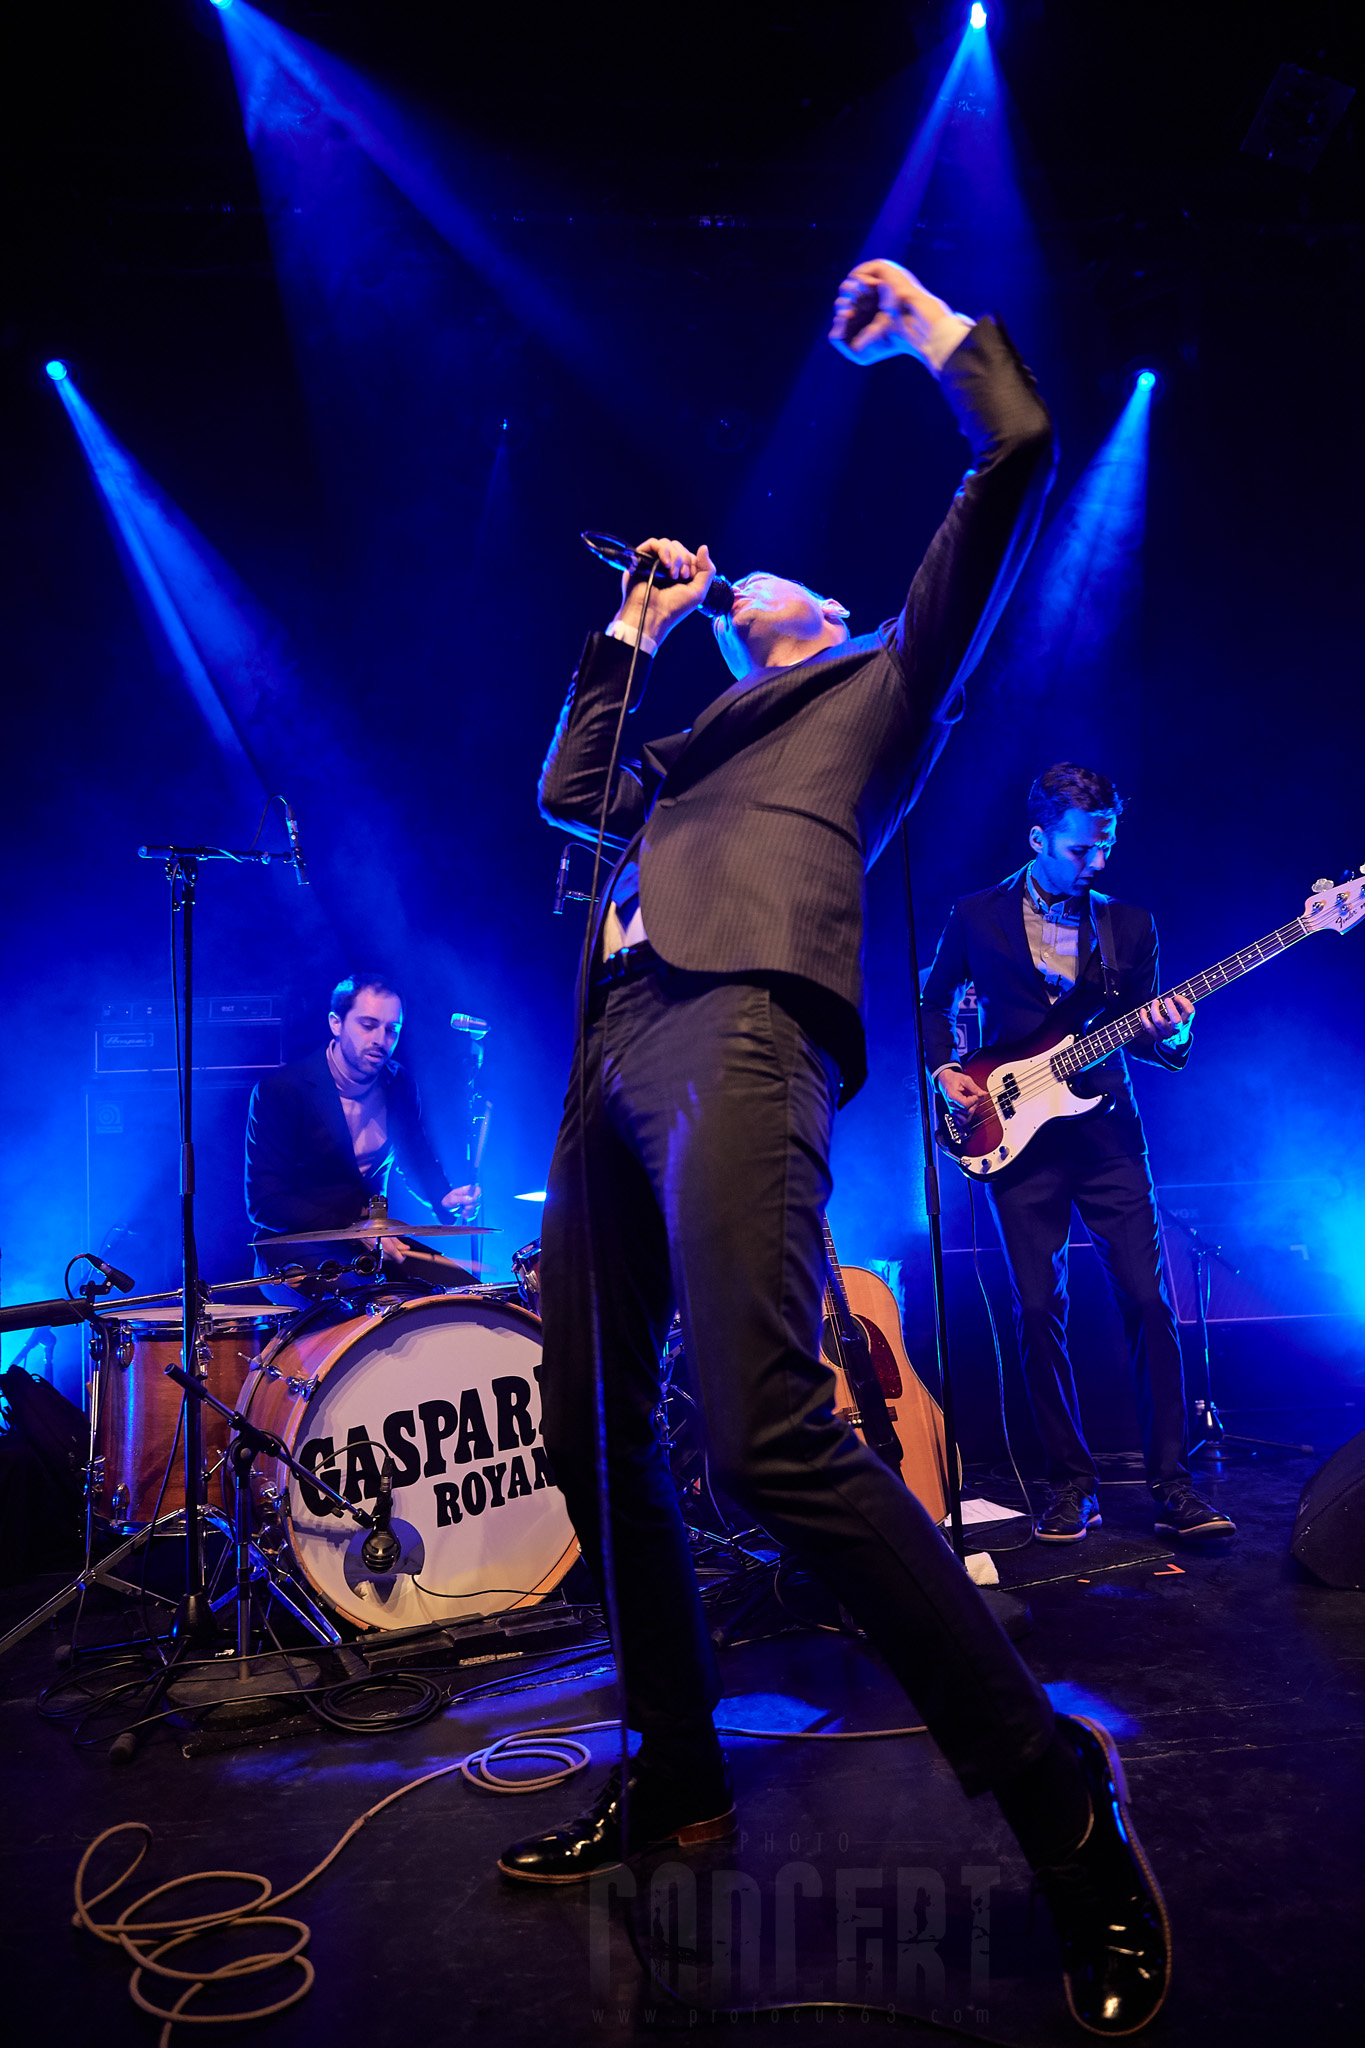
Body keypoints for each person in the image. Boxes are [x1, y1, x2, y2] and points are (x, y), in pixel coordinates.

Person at [500, 261, 1172, 2036]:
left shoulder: (879, 685)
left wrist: (938, 334)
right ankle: (679, 1767)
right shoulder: (696, 741)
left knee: (765, 1434)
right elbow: (572, 792)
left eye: (751, 588)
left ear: (835, 612)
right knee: (584, 1425)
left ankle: (1060, 1801)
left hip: (740, 1027)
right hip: (608, 1054)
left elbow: (1020, 451)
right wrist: (638, 632)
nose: (741, 586)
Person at [922, 763, 1234, 1545]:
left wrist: (1177, 1030)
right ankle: (1070, 1483)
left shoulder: (1128, 924)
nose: (1097, 862)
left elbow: (1157, 1041)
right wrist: (944, 1070)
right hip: (1014, 1134)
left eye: (1105, 846)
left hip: (1106, 1135)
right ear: (1037, 841)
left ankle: (1171, 1482)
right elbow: (931, 1003)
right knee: (1035, 1311)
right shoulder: (973, 914)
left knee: (1146, 1302)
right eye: (1080, 849)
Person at [244, 972, 479, 1294]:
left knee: (465, 1297)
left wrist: (443, 1196)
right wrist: (351, 1226)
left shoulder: (398, 1082)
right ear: (335, 1023)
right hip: (292, 1247)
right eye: (368, 1025)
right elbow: (265, 1202)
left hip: (368, 1243)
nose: (381, 1040)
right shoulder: (282, 1090)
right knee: (365, 1306)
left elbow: (416, 1157)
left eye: (391, 1029)